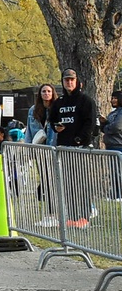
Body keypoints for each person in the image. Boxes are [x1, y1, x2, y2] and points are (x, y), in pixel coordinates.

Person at [51, 69, 98, 227]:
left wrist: (79, 139)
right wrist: (55, 127)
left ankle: (84, 216)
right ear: (63, 82)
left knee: (81, 183)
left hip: (81, 148)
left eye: (72, 79)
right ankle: (71, 216)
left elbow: (90, 123)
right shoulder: (59, 102)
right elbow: (52, 120)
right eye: (66, 80)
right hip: (63, 147)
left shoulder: (86, 101)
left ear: (77, 81)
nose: (69, 82)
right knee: (68, 184)